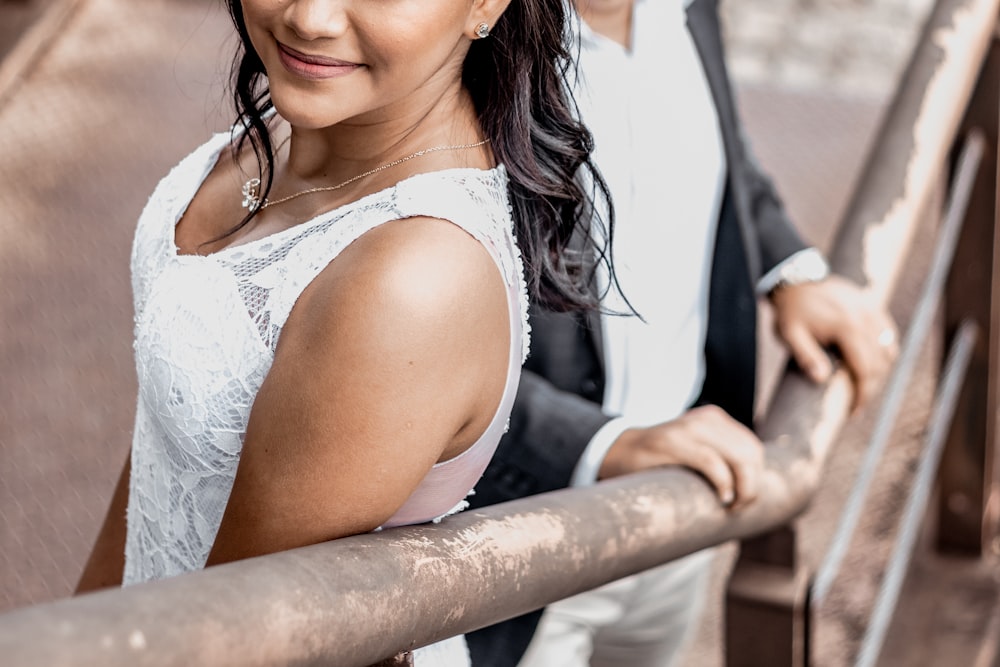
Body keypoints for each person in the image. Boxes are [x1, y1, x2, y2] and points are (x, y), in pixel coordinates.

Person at [72, 1, 613, 665]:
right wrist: (73, 631)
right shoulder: (321, 116)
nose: (311, 18)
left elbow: (233, 642)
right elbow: (164, 443)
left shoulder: (411, 283)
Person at [466, 1, 899, 666]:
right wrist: (606, 442)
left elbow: (723, 146)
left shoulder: (688, 9)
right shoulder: (472, 40)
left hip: (680, 511)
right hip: (526, 543)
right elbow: (420, 352)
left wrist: (789, 269)